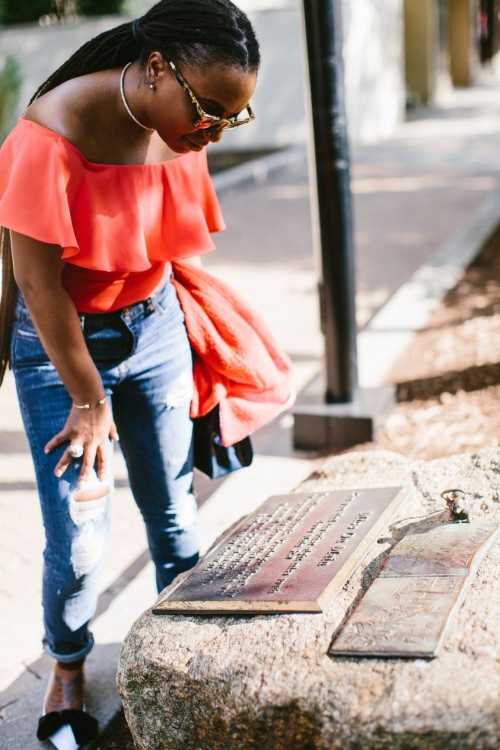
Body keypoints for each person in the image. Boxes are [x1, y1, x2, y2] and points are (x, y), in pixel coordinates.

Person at [0, 0, 259, 739]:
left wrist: (194, 340)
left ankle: (180, 662)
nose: (210, 132)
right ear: (154, 68)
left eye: (228, 121)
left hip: (156, 333)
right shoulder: (46, 139)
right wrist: (86, 397)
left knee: (175, 513)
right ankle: (69, 668)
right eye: (208, 110)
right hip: (61, 354)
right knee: (81, 536)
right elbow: (40, 289)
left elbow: (164, 248)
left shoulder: (178, 129)